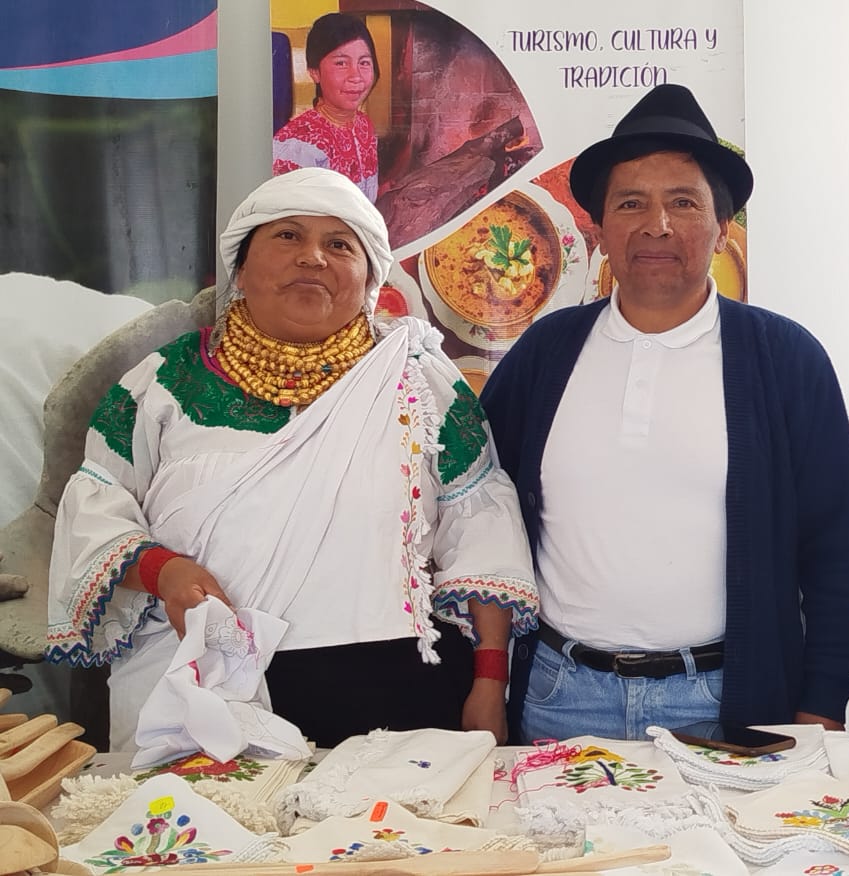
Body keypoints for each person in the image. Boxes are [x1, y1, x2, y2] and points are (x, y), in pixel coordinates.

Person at [47, 168, 537, 751]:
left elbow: (481, 528)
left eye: (340, 245)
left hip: (396, 687)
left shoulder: (421, 380)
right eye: (287, 236)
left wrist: (490, 682)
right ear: (240, 269)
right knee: (208, 813)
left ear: (370, 279)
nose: (312, 257)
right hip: (205, 679)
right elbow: (96, 508)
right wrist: (164, 572)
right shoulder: (163, 382)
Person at [481, 84, 849, 743]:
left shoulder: (785, 359)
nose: (655, 225)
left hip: (723, 701)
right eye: (630, 203)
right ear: (600, 230)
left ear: (722, 229)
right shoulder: (547, 352)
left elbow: (835, 546)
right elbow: (482, 516)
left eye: (683, 202)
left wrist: (824, 704)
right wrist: (486, 681)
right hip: (557, 697)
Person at [273, 13, 380, 201]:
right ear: (314, 72)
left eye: (364, 63)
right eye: (341, 63)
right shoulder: (296, 144)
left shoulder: (364, 126)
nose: (356, 76)